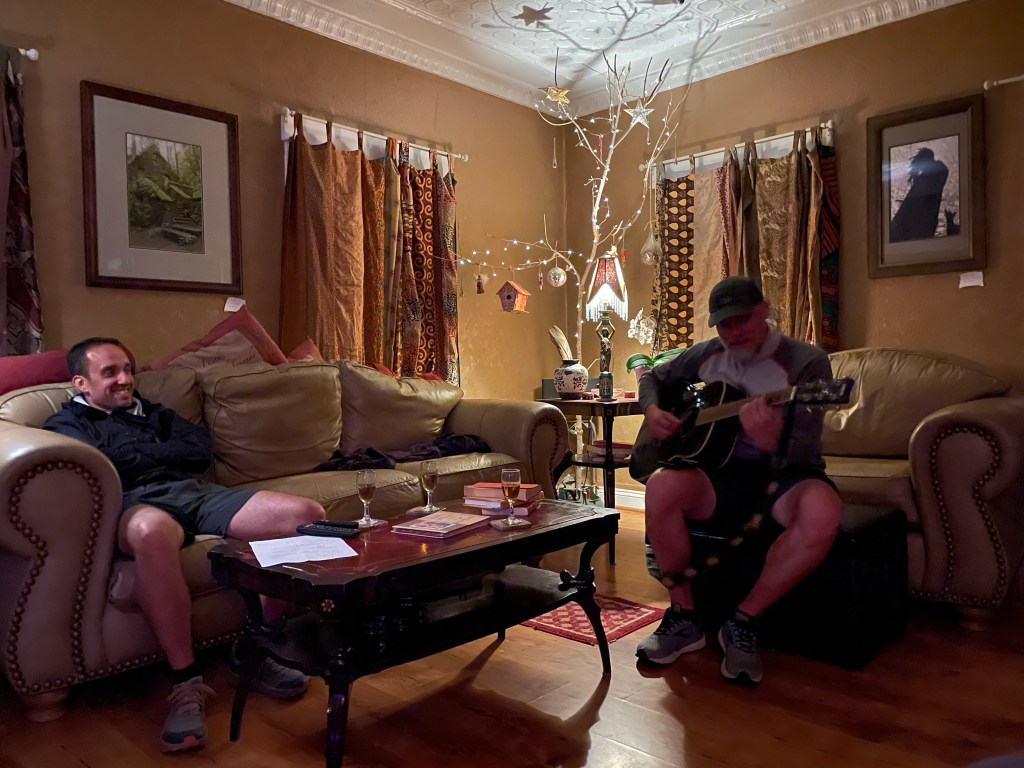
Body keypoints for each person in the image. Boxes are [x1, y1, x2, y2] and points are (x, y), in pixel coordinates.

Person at [44, 337, 327, 752]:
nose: (125, 379)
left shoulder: (153, 411)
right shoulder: (65, 425)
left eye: (128, 369)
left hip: (194, 493)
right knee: (151, 533)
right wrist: (159, 452)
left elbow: (198, 450)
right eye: (110, 372)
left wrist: (137, 454)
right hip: (136, 503)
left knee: (306, 515)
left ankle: (257, 646)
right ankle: (186, 683)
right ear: (81, 383)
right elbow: (106, 468)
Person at [634, 276, 843, 685]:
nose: (733, 332)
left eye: (742, 319)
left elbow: (805, 448)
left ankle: (743, 620)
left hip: (785, 475)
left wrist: (772, 442)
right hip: (716, 472)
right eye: (723, 324)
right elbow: (652, 378)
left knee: (823, 511)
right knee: (661, 485)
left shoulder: (807, 362)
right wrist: (652, 410)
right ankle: (683, 616)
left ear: (764, 311)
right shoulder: (707, 354)